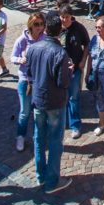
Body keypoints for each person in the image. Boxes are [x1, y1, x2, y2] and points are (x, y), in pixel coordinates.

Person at [25, 15, 72, 192]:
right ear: (60, 31)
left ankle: (40, 175)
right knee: (54, 142)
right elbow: (63, 83)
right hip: (54, 102)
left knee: (39, 138)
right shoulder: (60, 53)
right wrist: (69, 71)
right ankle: (52, 181)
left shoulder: (33, 48)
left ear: (46, 29)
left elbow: (29, 72)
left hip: (38, 100)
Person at [13, 13, 46, 152]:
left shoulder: (45, 39)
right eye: (36, 24)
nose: (39, 27)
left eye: (41, 24)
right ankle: (20, 136)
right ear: (30, 25)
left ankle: (38, 138)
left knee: (39, 112)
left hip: (40, 80)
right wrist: (20, 60)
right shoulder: (22, 40)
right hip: (26, 81)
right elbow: (12, 56)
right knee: (25, 112)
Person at [58, 5, 91, 139]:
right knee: (61, 97)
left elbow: (87, 44)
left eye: (67, 17)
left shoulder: (79, 28)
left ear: (71, 16)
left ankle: (75, 125)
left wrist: (83, 60)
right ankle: (62, 122)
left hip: (75, 68)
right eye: (62, 17)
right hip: (60, 69)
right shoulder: (58, 28)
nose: (64, 20)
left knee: (74, 97)